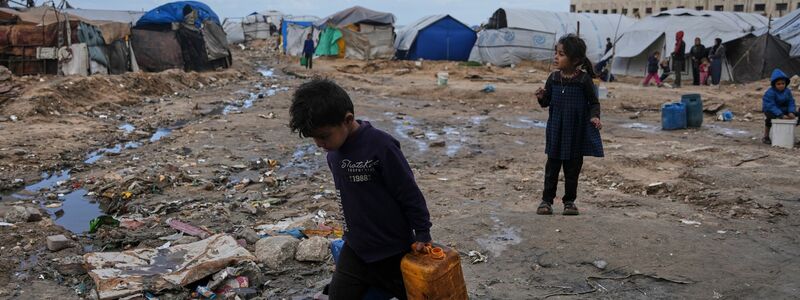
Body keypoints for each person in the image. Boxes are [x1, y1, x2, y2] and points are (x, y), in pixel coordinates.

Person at [289, 79, 433, 299]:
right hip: (356, 249)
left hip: (393, 250)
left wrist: (422, 231)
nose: (319, 143)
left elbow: (408, 191)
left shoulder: (381, 146)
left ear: (347, 119)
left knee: (418, 294)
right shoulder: (333, 153)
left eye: (324, 135)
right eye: (314, 138)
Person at [534, 34, 604, 216]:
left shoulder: (583, 80)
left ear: (576, 60)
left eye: (561, 54)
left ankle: (569, 202)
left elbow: (594, 103)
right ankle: (546, 201)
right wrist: (542, 97)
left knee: (572, 170)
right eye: (556, 53)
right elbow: (547, 101)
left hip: (576, 133)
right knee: (552, 169)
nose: (556, 57)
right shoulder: (553, 78)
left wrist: (594, 117)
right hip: (556, 131)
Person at [762, 69, 799, 144]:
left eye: (783, 83)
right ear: (774, 84)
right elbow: (770, 105)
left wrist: (791, 111)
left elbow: (791, 102)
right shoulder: (770, 92)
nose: (781, 85)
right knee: (769, 118)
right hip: (771, 110)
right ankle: (766, 137)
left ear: (786, 83)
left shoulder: (787, 91)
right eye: (778, 84)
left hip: (784, 110)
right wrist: (780, 115)